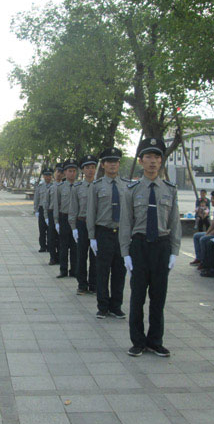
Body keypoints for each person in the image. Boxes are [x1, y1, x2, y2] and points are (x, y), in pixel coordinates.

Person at [119, 137, 180, 358]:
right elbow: (126, 223)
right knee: (137, 297)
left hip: (161, 246)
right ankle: (137, 341)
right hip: (139, 246)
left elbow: (174, 222)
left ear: (161, 161)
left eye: (156, 157)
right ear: (141, 161)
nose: (153, 161)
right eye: (148, 157)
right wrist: (125, 253)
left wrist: (174, 251)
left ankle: (155, 341)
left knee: (158, 297)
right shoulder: (132, 189)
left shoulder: (170, 190)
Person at [86, 147, 130, 319]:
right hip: (103, 232)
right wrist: (92, 237)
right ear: (103, 165)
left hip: (122, 234)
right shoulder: (96, 186)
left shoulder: (127, 185)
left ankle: (116, 306)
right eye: (109, 162)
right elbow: (91, 212)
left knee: (120, 271)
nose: (113, 165)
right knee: (102, 271)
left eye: (116, 162)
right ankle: (103, 306)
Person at [69, 155, 98, 295]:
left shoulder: (99, 186)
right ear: (82, 170)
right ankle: (82, 284)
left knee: (95, 256)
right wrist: (74, 227)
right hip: (82, 223)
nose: (90, 170)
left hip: (97, 225)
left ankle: (94, 284)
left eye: (92, 167)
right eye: (87, 168)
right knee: (81, 255)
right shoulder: (77, 187)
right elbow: (73, 208)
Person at [54, 158, 78, 278]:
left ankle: (74, 270)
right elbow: (57, 205)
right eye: (69, 171)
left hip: (77, 220)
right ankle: (63, 270)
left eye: (74, 171)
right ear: (65, 172)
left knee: (75, 246)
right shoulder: (60, 187)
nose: (72, 173)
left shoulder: (79, 186)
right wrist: (56, 221)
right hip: (64, 218)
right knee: (63, 246)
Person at [33, 167, 53, 252]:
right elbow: (36, 198)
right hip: (41, 209)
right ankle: (42, 246)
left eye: (49, 175)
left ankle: (50, 246)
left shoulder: (54, 186)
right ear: (43, 176)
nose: (48, 177)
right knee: (42, 229)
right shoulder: (40, 186)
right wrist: (36, 210)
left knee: (50, 230)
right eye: (46, 175)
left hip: (50, 210)